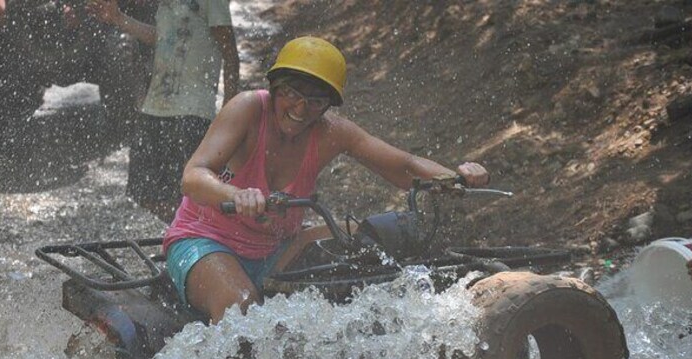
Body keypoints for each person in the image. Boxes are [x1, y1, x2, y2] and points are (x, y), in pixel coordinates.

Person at [162, 36, 490, 323]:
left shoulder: (331, 132)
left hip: (280, 250)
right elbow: (192, 177)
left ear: (326, 106)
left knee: (368, 248)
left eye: (315, 101)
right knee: (242, 307)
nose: (301, 109)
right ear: (275, 88)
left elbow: (404, 165)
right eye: (292, 94)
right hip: (204, 241)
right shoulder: (248, 109)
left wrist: (455, 177)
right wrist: (235, 193)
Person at [87, 0, 240, 222]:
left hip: (193, 112)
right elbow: (164, 39)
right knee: (143, 193)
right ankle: (186, 233)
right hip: (155, 108)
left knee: (189, 193)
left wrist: (229, 113)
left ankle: (193, 237)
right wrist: (118, 18)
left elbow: (230, 53)